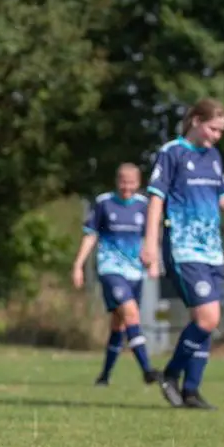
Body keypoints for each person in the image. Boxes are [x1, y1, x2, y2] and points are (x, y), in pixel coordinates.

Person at [142, 98, 224, 409]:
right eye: (213, 128)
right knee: (208, 318)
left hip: (212, 250)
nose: (216, 136)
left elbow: (223, 197)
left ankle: (191, 391)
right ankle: (171, 375)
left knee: (204, 321)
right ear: (195, 121)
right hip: (184, 248)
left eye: (221, 131)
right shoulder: (172, 153)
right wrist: (150, 243)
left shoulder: (213, 156)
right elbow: (155, 200)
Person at [71, 163, 160, 386]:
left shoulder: (143, 205)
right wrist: (78, 264)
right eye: (123, 182)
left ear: (138, 183)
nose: (126, 188)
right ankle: (147, 370)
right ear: (116, 181)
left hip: (135, 272)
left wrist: (153, 261)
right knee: (131, 314)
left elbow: (150, 237)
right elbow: (90, 235)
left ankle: (104, 376)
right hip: (111, 269)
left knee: (119, 324)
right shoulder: (104, 203)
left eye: (131, 183)